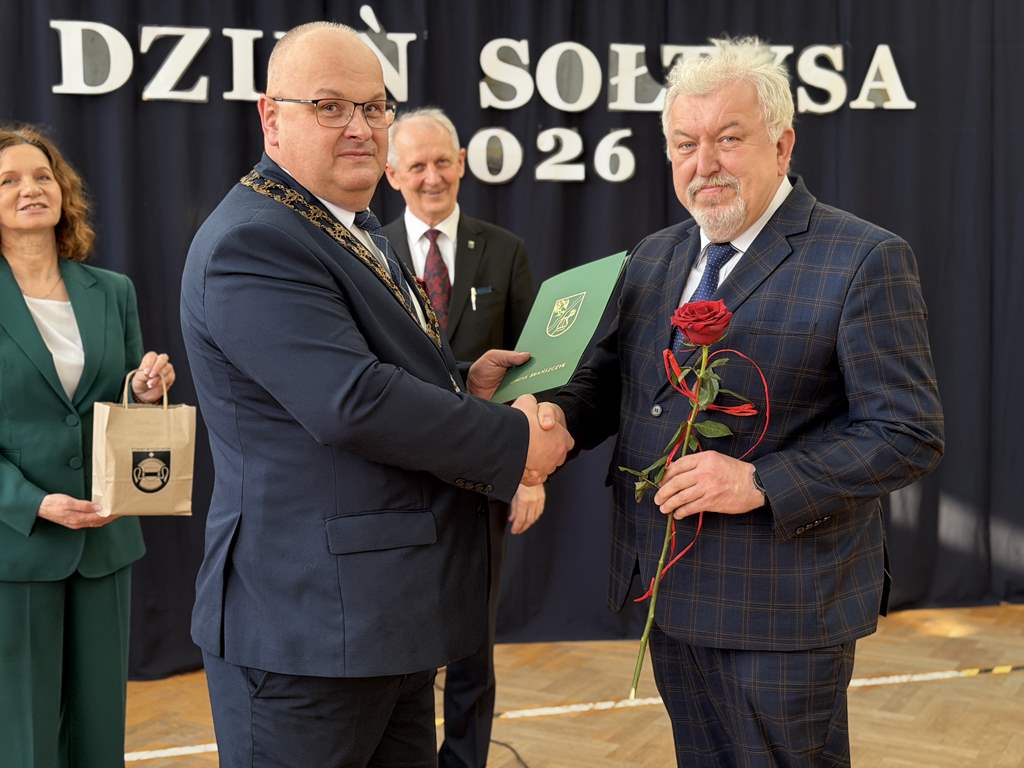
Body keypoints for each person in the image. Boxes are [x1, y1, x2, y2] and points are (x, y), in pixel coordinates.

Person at [540, 37, 944, 766]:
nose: (705, 164)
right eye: (684, 144)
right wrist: (556, 422)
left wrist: (760, 481)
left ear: (782, 144)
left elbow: (907, 432)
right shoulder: (656, 255)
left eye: (728, 139)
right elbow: (613, 382)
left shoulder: (863, 258)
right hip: (669, 589)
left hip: (783, 609)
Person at [179, 22, 572, 768]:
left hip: (381, 620)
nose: (360, 127)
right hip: (306, 633)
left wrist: (464, 383)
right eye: (330, 107)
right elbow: (352, 401)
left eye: (374, 106)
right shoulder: (253, 240)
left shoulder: (350, 226)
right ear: (271, 116)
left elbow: (372, 369)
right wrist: (516, 440)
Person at [0, 125, 175, 768]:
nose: (30, 188)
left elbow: (122, 407)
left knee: (100, 730)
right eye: (8, 180)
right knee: (23, 739)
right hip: (16, 544)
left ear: (63, 190)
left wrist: (145, 392)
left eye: (42, 176)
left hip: (105, 539)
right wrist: (32, 502)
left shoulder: (112, 289)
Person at [384, 108, 542, 768]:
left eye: (442, 162)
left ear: (464, 164)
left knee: (475, 644)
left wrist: (528, 472)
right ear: (392, 174)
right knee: (401, 638)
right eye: (417, 165)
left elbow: (535, 365)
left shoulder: (504, 249)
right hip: (396, 479)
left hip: (485, 475)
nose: (432, 177)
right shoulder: (367, 250)